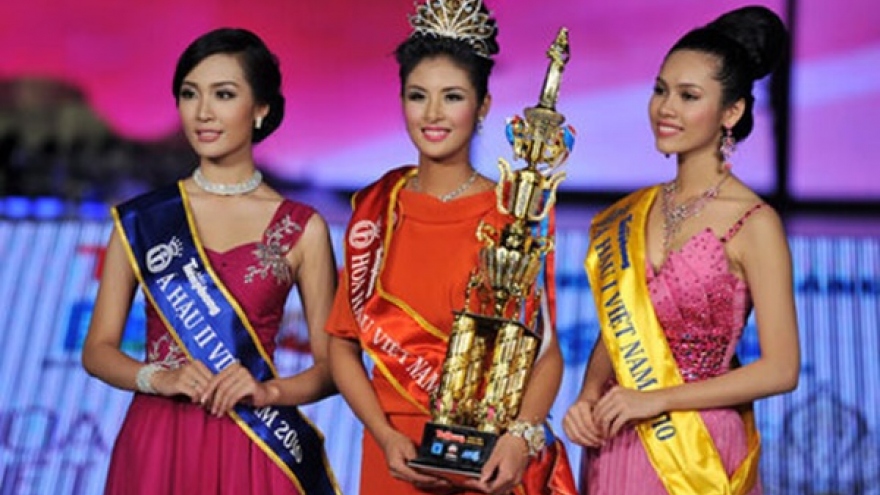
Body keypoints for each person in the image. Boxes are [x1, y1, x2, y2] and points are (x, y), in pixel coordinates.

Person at [325, 1, 577, 494]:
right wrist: (384, 435)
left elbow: (546, 353)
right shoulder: (378, 207)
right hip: (392, 454)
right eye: (418, 96)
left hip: (486, 459)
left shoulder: (513, 213)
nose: (433, 114)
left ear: (483, 105)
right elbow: (342, 343)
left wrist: (519, 440)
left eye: (453, 97)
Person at [81, 28, 341, 494]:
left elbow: (334, 367)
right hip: (159, 438)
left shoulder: (303, 228)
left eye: (223, 94)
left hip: (255, 438)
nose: (202, 112)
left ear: (261, 108)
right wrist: (158, 377)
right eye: (189, 94)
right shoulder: (143, 219)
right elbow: (97, 351)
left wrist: (268, 391)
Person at [562, 6, 800, 495]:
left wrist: (659, 399)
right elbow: (622, 325)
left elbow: (781, 369)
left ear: (731, 112)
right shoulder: (635, 210)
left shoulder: (755, 222)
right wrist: (586, 397)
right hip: (618, 434)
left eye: (688, 96)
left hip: (696, 446)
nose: (666, 108)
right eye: (660, 90)